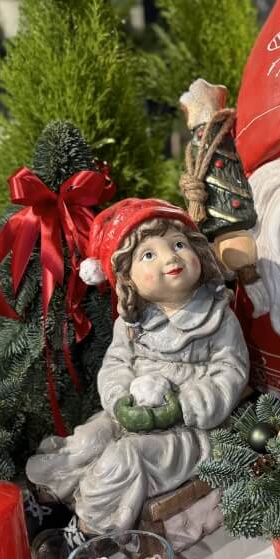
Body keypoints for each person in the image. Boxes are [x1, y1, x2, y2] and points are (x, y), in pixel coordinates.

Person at [26, 199, 249, 534]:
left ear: (198, 252)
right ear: (127, 278)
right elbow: (115, 365)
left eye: (178, 245)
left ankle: (89, 529)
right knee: (88, 439)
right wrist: (120, 402)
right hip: (132, 413)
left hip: (188, 429)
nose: (170, 258)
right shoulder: (132, 322)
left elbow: (230, 373)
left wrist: (182, 406)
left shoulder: (219, 318)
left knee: (125, 457)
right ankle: (53, 502)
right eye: (149, 255)